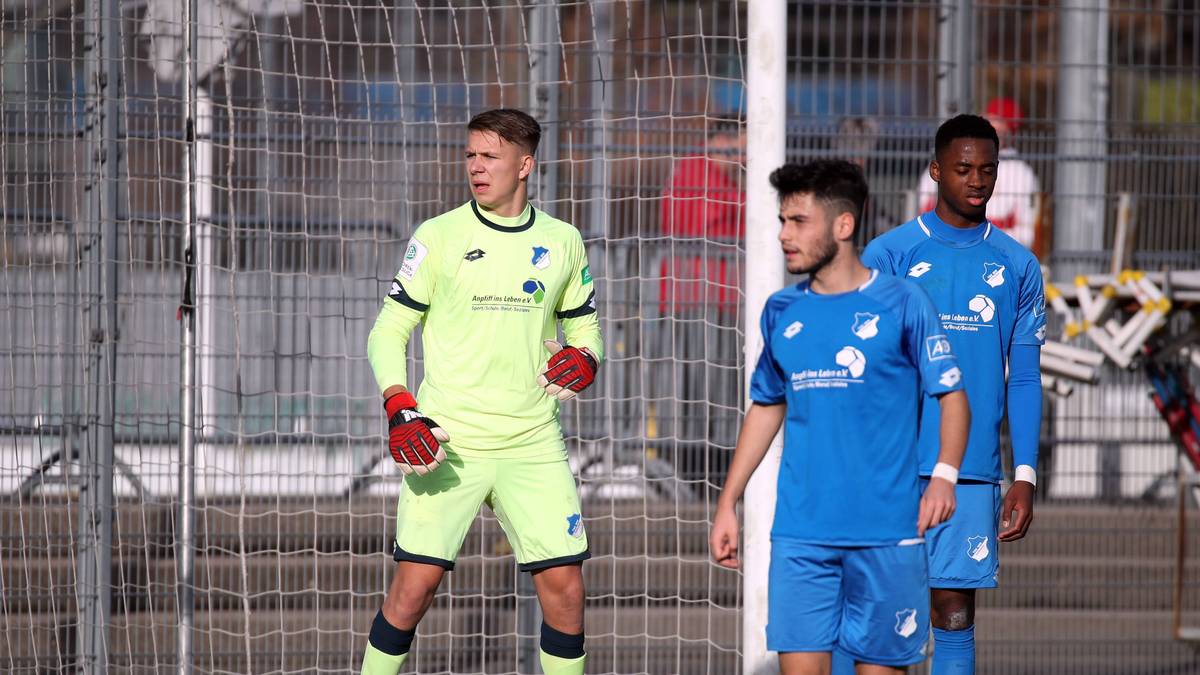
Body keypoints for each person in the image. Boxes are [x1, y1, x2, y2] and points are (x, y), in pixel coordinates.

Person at [359, 108, 603, 675]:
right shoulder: (438, 236)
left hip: (532, 442)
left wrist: (587, 356)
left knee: (566, 590)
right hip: (447, 440)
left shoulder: (563, 240)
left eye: (490, 156)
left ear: (525, 165)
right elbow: (387, 331)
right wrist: (400, 407)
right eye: (470, 155)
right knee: (412, 591)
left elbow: (585, 327)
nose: (475, 166)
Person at [709, 159, 970, 675]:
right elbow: (766, 405)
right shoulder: (781, 310)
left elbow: (953, 395)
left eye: (798, 221)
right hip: (801, 537)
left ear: (843, 226)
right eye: (782, 221)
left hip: (888, 536)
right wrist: (728, 501)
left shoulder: (903, 302)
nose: (784, 235)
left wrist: (944, 476)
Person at [862, 114, 1046, 674]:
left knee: (954, 614)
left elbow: (1025, 378)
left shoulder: (1018, 265)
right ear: (936, 170)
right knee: (877, 618)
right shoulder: (888, 255)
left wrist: (1025, 474)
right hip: (891, 468)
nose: (976, 180)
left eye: (987, 170)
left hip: (970, 471)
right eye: (963, 168)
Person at [654, 116, 747, 447]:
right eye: (745, 142)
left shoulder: (731, 178)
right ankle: (681, 452)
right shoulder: (696, 174)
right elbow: (698, 225)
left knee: (724, 385)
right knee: (695, 385)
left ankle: (719, 451)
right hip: (696, 295)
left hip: (723, 297)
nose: (749, 153)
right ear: (724, 141)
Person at [915, 98, 1041, 251]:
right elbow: (920, 209)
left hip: (992, 251)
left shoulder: (1021, 174)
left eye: (999, 122)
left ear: (1010, 130)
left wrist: (983, 239)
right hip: (939, 243)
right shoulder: (949, 158)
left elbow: (1028, 231)